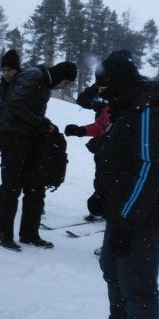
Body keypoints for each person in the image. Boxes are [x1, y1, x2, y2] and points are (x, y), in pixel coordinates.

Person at [82, 52, 159, 319]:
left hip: (143, 219)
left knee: (137, 286)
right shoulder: (126, 107)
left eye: (105, 86)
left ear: (119, 83)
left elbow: (147, 168)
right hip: (122, 212)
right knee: (111, 270)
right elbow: (120, 161)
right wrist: (103, 196)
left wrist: (127, 218)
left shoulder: (145, 111)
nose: (102, 94)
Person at [0, 61, 77, 251]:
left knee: (35, 186)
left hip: (28, 138)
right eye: (66, 83)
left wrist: (44, 124)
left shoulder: (41, 80)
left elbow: (28, 109)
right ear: (61, 78)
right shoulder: (33, 76)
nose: (64, 87)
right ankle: (3, 234)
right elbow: (15, 104)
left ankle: (29, 234)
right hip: (13, 138)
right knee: (11, 187)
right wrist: (41, 122)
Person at [65, 86, 111, 222]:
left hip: (118, 156)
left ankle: (115, 214)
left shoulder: (127, 107)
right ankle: (101, 211)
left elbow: (124, 135)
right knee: (100, 181)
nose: (101, 92)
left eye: (104, 89)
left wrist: (103, 141)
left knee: (114, 183)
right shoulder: (107, 107)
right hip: (103, 154)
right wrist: (80, 131)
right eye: (100, 90)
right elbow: (99, 127)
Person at [0, 49, 22, 210]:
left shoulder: (23, 83)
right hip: (6, 132)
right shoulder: (4, 84)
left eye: (10, 70)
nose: (6, 73)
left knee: (21, 168)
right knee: (6, 167)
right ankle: (5, 198)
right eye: (4, 70)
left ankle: (30, 199)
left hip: (22, 134)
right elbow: (2, 108)